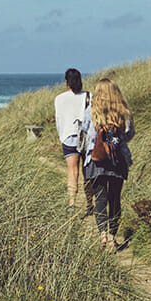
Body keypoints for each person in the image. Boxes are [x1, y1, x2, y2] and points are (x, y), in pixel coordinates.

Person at [82, 77, 135, 249]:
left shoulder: (91, 111)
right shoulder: (124, 112)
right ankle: (113, 236)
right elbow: (129, 134)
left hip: (97, 159)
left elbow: (86, 131)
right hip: (117, 160)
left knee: (100, 198)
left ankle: (103, 235)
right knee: (115, 198)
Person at [53, 68, 90, 209]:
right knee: (87, 172)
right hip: (85, 137)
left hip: (68, 136)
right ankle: (89, 203)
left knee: (72, 170)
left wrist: (61, 136)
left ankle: (72, 202)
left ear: (66, 81)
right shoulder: (88, 96)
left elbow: (59, 119)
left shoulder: (59, 98)